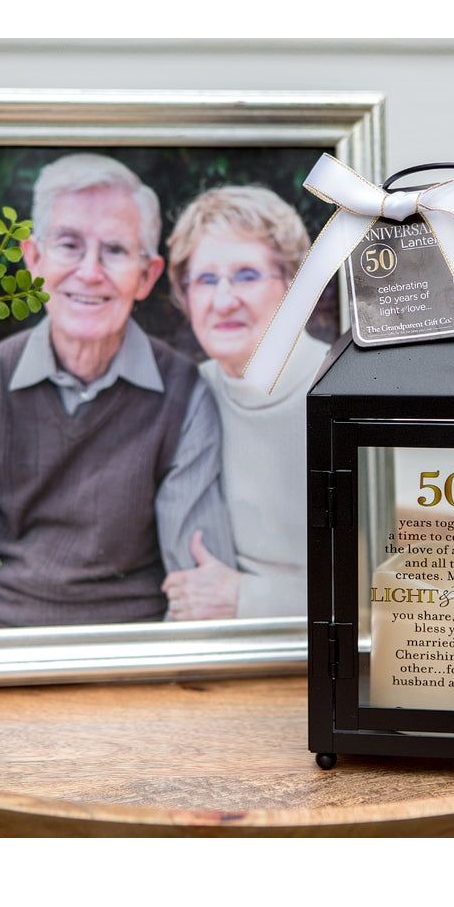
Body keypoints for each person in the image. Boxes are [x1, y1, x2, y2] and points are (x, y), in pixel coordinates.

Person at [0, 153, 235, 628]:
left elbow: (193, 576)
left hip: (134, 651)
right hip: (0, 644)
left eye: (114, 250)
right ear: (34, 259)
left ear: (147, 276)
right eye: (69, 245)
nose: (90, 272)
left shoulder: (184, 393)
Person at [161, 185, 329, 620]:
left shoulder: (345, 391)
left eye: (247, 275)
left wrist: (245, 599)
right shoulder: (187, 394)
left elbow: (396, 593)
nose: (223, 300)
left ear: (294, 286)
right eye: (205, 279)